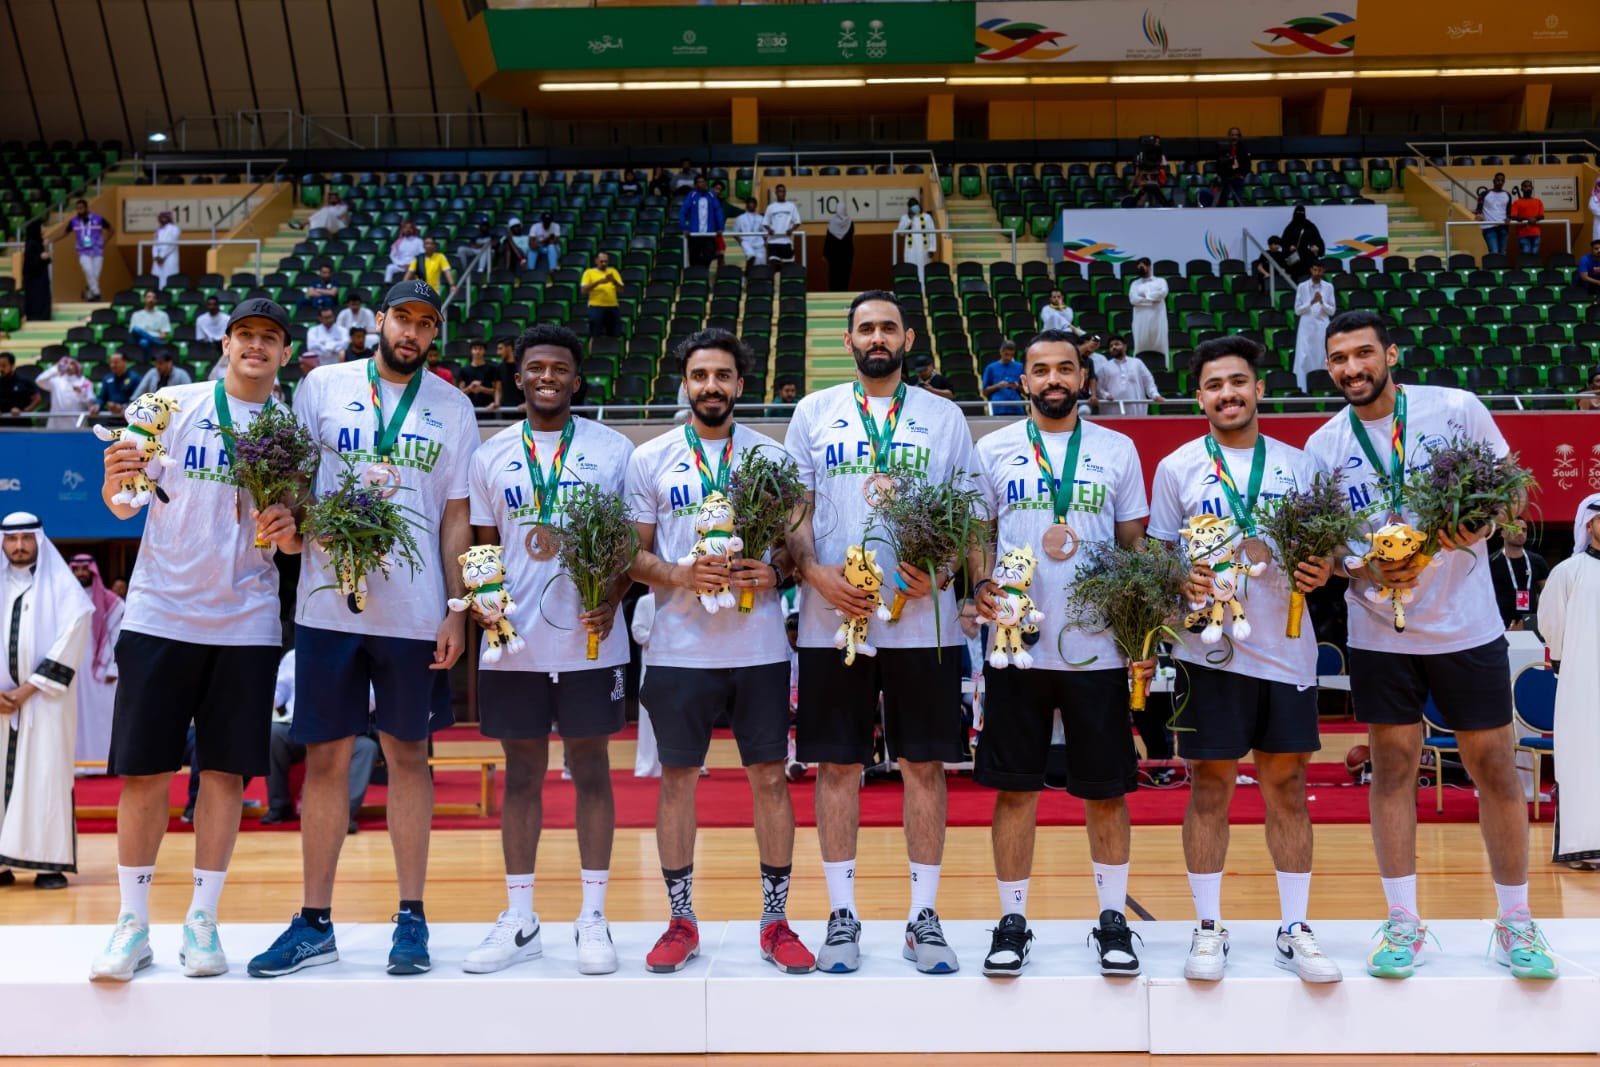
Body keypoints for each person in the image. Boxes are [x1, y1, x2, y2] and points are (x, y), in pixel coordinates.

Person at [1305, 309, 1558, 981]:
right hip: (1378, 628)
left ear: (1391, 353)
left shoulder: (1455, 409)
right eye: (1339, 359)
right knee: (1392, 767)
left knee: (1494, 765)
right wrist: (1360, 566)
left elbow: (1509, 494)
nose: (1352, 368)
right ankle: (1402, 921)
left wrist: (1476, 525)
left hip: (1465, 623)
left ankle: (1516, 921)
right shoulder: (1323, 444)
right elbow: (1324, 546)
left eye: (1363, 353)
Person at [249, 280, 477, 980]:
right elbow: (293, 480)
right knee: (324, 760)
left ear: (435, 334)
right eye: (402, 318)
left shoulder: (453, 406)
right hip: (327, 606)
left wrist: (457, 607)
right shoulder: (323, 386)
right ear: (378, 320)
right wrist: (292, 521)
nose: (412, 332)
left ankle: (411, 916)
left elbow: (456, 517)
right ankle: (314, 921)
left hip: (414, 612)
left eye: (425, 323)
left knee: (409, 757)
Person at [88, 297, 300, 981]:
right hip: (161, 613)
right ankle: (132, 922)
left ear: (285, 353)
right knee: (146, 770)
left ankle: (203, 920)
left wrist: (291, 528)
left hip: (246, 621)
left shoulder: (291, 429)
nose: (256, 346)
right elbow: (122, 505)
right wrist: (114, 481)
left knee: (226, 773)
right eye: (245, 334)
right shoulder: (171, 406)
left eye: (269, 338)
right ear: (226, 343)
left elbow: (295, 533)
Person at [784, 289, 978, 975]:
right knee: (838, 765)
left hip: (923, 624)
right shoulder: (814, 412)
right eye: (865, 327)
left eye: (888, 327)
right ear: (848, 340)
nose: (877, 337)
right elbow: (796, 508)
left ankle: (923, 916)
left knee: (924, 765)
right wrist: (813, 572)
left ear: (907, 338)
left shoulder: (944, 417)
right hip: (832, 621)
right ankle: (842, 914)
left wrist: (944, 568)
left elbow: (967, 511)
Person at [1149, 335, 1342, 984]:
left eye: (1238, 381)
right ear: (1199, 397)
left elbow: (1328, 550)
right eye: (1214, 385)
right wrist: (1178, 579)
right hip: (1209, 654)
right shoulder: (1176, 468)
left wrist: (1324, 567)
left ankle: (1295, 927)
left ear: (1259, 388)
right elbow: (1158, 559)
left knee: (1287, 787)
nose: (1227, 393)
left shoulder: (1300, 465)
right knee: (1210, 787)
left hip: (1287, 653)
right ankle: (1208, 927)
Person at [627, 328, 816, 975]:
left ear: (740, 383)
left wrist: (778, 571)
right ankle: (681, 920)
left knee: (769, 779)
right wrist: (680, 574)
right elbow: (632, 554)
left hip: (758, 647)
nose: (711, 386)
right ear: (685, 383)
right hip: (677, 650)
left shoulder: (771, 456)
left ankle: (775, 921)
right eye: (700, 374)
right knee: (678, 781)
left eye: (723, 375)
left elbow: (795, 545)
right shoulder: (650, 458)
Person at [970, 329, 1152, 978]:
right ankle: (1012, 920)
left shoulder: (1117, 448)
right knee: (1015, 791)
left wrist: (1140, 632)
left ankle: (1112, 919)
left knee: (1106, 791)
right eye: (1041, 369)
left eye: (1065, 368)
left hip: (1096, 650)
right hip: (1016, 646)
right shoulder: (992, 448)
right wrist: (980, 585)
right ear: (1023, 381)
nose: (1053, 378)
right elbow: (978, 533)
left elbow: (1133, 544)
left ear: (1084, 379)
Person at [456, 323, 632, 976]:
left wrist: (615, 596)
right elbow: (483, 546)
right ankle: (521, 918)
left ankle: (593, 916)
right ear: (519, 377)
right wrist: (481, 598)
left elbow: (630, 544)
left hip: (591, 641)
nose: (547, 377)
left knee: (592, 770)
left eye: (560, 368)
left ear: (576, 380)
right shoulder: (491, 455)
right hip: (515, 644)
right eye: (536, 367)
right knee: (521, 775)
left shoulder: (614, 451)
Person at [0, 513, 92, 891]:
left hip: (46, 701)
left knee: (46, 775)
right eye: (12, 539)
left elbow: (75, 632)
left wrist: (28, 688)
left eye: (27, 538)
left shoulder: (62, 587)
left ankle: (48, 864)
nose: (20, 546)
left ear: (38, 540)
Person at [1537, 495, 1600, 869]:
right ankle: (1584, 846)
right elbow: (1551, 624)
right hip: (1582, 682)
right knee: (1583, 761)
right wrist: (1568, 663)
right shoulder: (1568, 571)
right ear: (1589, 525)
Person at [260, 648, 378, 834]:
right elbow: (280, 689)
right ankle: (279, 806)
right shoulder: (294, 656)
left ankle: (344, 814)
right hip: (298, 727)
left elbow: (372, 696)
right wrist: (266, 700)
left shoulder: (359, 656)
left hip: (341, 730)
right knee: (274, 735)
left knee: (367, 748)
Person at [68, 554, 122, 769]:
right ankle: (78, 765)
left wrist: (113, 667)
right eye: (76, 569)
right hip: (72, 666)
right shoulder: (64, 597)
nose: (81, 573)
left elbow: (118, 636)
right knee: (75, 715)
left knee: (102, 716)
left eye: (85, 569)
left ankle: (104, 764)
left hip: (101, 667)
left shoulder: (110, 600)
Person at [1489, 525, 1548, 631]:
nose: (1520, 533)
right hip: (1499, 622)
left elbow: (1547, 593)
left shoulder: (1537, 561)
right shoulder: (1492, 561)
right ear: (1503, 533)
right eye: (1515, 528)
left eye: (1524, 530)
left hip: (1531, 621)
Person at [1292, 262, 1336, 390]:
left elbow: (1332, 311)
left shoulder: (1329, 287)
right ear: (1311, 270)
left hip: (1322, 326)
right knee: (1304, 357)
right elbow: (1297, 310)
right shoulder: (1302, 287)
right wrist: (1311, 302)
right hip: (1306, 327)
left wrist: (1322, 302)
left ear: (1323, 271)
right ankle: (1303, 389)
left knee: (1323, 355)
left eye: (1320, 270)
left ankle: (1324, 387)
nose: (1317, 273)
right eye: (1315, 270)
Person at [1095, 334, 1163, 415]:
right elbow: (1098, 387)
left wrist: (1155, 395)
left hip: (1136, 409)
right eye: (1111, 346)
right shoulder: (1104, 367)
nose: (1114, 347)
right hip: (1113, 409)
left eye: (1117, 344)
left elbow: (1148, 382)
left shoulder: (1137, 363)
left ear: (1125, 347)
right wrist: (1106, 395)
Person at [66, 199, 111, 300]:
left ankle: (90, 295)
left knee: (95, 275)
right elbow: (65, 233)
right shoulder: (74, 221)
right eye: (77, 208)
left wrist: (104, 242)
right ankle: (97, 294)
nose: (79, 210)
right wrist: (51, 240)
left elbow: (111, 230)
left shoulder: (98, 218)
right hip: (83, 251)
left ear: (86, 208)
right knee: (88, 270)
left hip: (98, 250)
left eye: (81, 208)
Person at [679, 175, 726, 269]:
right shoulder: (691, 195)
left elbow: (718, 211)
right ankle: (697, 274)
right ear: (695, 184)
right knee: (693, 259)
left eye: (703, 182)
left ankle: (703, 271)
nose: (702, 184)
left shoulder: (711, 195)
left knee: (708, 256)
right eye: (699, 182)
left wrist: (720, 227)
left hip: (709, 234)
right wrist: (684, 228)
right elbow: (683, 212)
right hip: (694, 234)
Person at [35, 357, 96, 428]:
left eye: (72, 363)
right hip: (56, 424)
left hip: (76, 424)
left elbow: (91, 403)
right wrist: (56, 368)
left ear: (77, 366)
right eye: (66, 363)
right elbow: (39, 381)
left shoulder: (85, 382)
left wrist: (81, 393)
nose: (68, 365)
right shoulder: (56, 381)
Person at [1128, 259, 1170, 358]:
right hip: (1141, 320)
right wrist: (1151, 300)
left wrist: (1144, 297)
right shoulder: (1135, 284)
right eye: (1138, 267)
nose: (1140, 269)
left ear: (1149, 267)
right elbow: (1133, 300)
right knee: (1140, 345)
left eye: (1142, 267)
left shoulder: (1160, 281)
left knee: (1160, 345)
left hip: (1157, 318)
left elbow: (1162, 294)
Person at [893, 198, 938, 289]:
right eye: (912, 205)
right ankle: (912, 290)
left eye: (915, 204)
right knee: (911, 268)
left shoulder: (926, 217)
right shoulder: (905, 218)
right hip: (911, 249)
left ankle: (924, 290)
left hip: (924, 249)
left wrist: (932, 248)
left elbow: (932, 233)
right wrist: (909, 219)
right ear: (909, 208)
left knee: (923, 269)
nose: (915, 207)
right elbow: (901, 233)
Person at [581, 252, 623, 339]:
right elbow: (583, 290)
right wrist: (598, 282)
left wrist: (614, 281)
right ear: (596, 261)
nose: (604, 263)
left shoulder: (613, 271)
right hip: (596, 307)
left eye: (606, 261)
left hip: (613, 307)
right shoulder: (589, 272)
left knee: (614, 335)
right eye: (602, 261)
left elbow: (621, 290)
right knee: (595, 335)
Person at [1279, 206, 1324, 282]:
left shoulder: (1310, 226)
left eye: (1301, 212)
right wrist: (1289, 247)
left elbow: (1319, 241)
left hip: (1309, 259)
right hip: (1295, 260)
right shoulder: (1290, 227)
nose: (1300, 214)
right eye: (1298, 212)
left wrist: (1317, 248)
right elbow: (1283, 242)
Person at [981, 339, 1025, 416]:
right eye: (1006, 354)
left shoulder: (1020, 367)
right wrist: (998, 386)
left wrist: (1017, 386)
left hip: (1016, 408)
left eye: (1011, 355)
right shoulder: (991, 368)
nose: (1009, 358)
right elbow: (985, 392)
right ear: (1001, 352)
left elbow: (1027, 390)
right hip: (998, 408)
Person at [763, 185, 802, 269]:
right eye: (780, 191)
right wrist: (769, 229)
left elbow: (797, 222)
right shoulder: (771, 207)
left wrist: (791, 229)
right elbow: (765, 223)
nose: (782, 193)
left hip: (786, 241)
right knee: (773, 263)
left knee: (788, 266)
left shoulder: (791, 206)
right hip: (773, 241)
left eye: (783, 191)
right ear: (776, 193)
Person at [93, 353, 139, 420]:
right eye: (111, 362)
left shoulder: (134, 378)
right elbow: (102, 397)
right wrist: (97, 405)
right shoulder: (107, 378)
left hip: (129, 418)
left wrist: (123, 406)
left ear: (124, 362)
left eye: (116, 362)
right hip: (111, 417)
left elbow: (138, 399)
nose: (112, 365)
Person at [1475, 174, 1512, 257]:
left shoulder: (1507, 195)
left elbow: (1509, 212)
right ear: (1494, 181)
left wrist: (1508, 218)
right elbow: (1478, 209)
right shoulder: (1484, 194)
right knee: (1494, 252)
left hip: (1503, 227)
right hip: (1489, 227)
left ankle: (1501, 266)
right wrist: (1478, 215)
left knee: (1503, 252)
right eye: (1498, 180)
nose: (1500, 182)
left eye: (1502, 181)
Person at [22, 218, 51, 323]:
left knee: (43, 297)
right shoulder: (32, 243)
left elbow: (47, 258)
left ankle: (43, 316)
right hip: (33, 279)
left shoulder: (39, 242)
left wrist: (45, 248)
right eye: (42, 226)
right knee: (35, 298)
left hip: (41, 277)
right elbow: (30, 262)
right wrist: (40, 257)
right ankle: (36, 317)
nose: (44, 229)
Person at [0, 353, 41, 426]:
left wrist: (24, 411)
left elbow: (37, 399)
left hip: (22, 424)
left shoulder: (24, 382)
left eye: (4, 366)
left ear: (12, 366)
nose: (1, 369)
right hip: (3, 425)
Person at [1215, 128, 1251, 207]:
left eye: (1236, 135)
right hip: (1225, 177)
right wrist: (1221, 175)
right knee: (1222, 200)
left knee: (1238, 200)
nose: (1234, 137)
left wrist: (1243, 175)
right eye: (1232, 135)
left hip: (1238, 177)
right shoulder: (1223, 147)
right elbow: (1218, 163)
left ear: (1239, 136)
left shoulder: (1244, 147)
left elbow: (1248, 164)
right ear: (1229, 136)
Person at [457, 339, 497, 411]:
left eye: (480, 349)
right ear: (471, 351)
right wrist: (470, 388)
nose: (478, 351)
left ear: (485, 351)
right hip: (469, 409)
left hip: (488, 409)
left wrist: (482, 389)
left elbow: (496, 391)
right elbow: (460, 394)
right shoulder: (464, 370)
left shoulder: (492, 369)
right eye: (475, 348)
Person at [1509, 180, 1545, 259]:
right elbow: (1513, 216)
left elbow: (1541, 216)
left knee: (1535, 257)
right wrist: (1528, 219)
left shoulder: (1538, 201)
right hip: (1522, 234)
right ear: (1521, 189)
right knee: (1526, 257)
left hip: (1536, 233)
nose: (1528, 188)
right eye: (1525, 186)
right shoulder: (1517, 202)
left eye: (1529, 186)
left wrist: (1534, 218)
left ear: (1532, 188)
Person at [1131, 136, 1169, 208]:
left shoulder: (1159, 154)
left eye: (1158, 143)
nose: (1157, 144)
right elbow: (1138, 171)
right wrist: (1134, 181)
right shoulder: (1140, 154)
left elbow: (1163, 168)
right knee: (1141, 203)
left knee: (1155, 202)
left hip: (1156, 180)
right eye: (1155, 142)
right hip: (1144, 180)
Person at [824, 205, 855, 291]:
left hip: (833, 254)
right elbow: (851, 234)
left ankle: (833, 293)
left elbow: (828, 239)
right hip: (847, 254)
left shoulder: (832, 222)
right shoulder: (850, 222)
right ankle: (844, 292)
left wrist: (825, 253)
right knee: (845, 275)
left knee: (833, 274)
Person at [732, 198, 768, 267]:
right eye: (750, 203)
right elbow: (735, 233)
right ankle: (747, 273)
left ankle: (752, 273)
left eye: (753, 204)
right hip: (746, 242)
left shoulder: (761, 218)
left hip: (759, 244)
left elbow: (765, 233)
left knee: (760, 265)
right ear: (746, 205)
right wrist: (741, 242)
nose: (752, 205)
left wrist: (765, 243)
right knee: (751, 256)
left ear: (756, 205)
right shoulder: (740, 218)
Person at [151, 211, 181, 291]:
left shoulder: (174, 229)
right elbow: (155, 245)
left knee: (169, 279)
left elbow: (171, 244)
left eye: (164, 217)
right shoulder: (158, 230)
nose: (162, 219)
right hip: (158, 260)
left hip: (169, 258)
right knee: (157, 280)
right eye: (161, 217)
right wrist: (155, 256)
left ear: (169, 218)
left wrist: (162, 256)